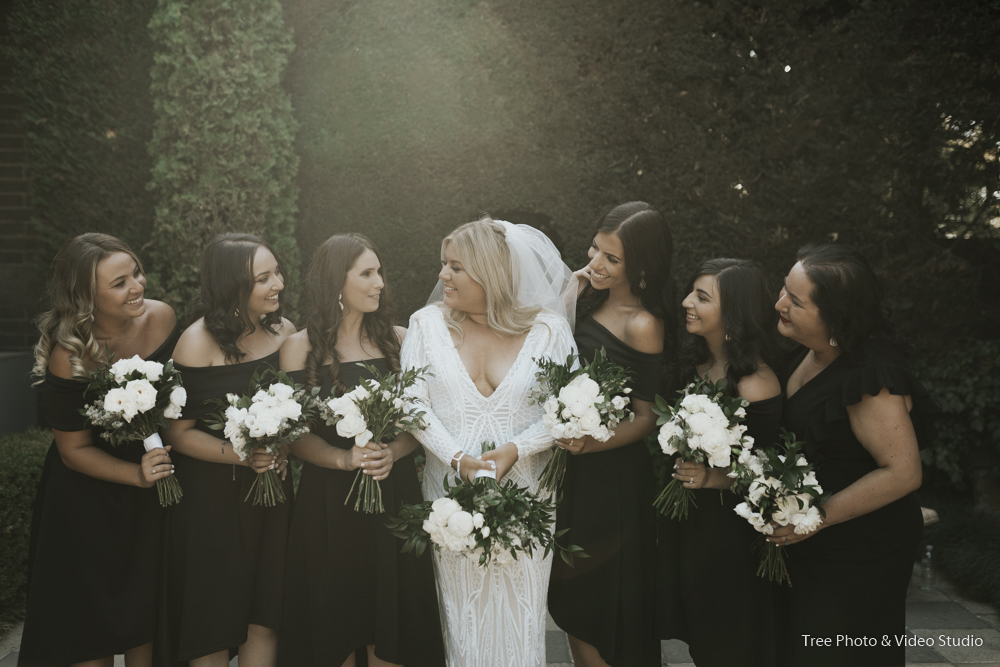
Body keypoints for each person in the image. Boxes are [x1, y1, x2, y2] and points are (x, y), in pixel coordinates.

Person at [399, 216, 577, 667]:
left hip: (528, 501)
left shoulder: (550, 331)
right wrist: (455, 457)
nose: (442, 276)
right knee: (463, 622)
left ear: (490, 272)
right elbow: (412, 407)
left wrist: (520, 448)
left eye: (455, 267)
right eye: (444, 264)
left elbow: (571, 412)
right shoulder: (425, 325)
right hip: (449, 506)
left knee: (522, 618)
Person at [277, 234, 445, 667]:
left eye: (380, 272)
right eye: (367, 274)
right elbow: (294, 435)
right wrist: (342, 458)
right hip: (328, 504)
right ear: (337, 283)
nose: (379, 283)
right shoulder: (298, 347)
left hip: (394, 495)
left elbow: (422, 421)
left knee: (391, 622)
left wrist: (396, 451)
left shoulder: (401, 339)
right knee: (336, 622)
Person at [771, 244, 934, 667]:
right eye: (784, 290)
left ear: (835, 317)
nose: (779, 304)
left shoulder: (870, 377)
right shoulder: (805, 351)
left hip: (860, 549)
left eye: (795, 301)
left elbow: (903, 472)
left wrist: (815, 518)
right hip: (816, 541)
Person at [20, 233, 178, 667]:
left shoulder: (163, 319)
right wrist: (137, 475)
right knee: (89, 624)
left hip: (153, 492)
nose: (138, 287)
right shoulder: (68, 354)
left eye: (137, 273)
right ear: (86, 296)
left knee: (146, 609)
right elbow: (72, 450)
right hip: (88, 497)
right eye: (120, 283)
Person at [548, 202, 675, 667]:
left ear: (641, 267)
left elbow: (646, 418)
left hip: (613, 482)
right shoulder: (586, 297)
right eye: (595, 250)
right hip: (573, 476)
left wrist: (591, 441)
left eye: (612, 259)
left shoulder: (642, 324)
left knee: (599, 605)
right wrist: (576, 282)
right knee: (571, 600)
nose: (597, 264)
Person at [159, 233, 295, 667]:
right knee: (213, 617)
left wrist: (283, 446)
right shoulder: (197, 342)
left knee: (266, 614)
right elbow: (178, 434)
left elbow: (297, 411)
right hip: (211, 505)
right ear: (232, 286)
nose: (278, 284)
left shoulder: (286, 333)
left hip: (271, 498)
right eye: (263, 278)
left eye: (277, 272)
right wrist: (242, 454)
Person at [655, 258, 784, 667]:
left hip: (732, 538)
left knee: (729, 642)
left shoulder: (756, 382)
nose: (686, 301)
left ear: (733, 312)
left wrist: (714, 477)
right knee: (702, 638)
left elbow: (772, 468)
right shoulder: (692, 368)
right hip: (692, 530)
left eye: (701, 297)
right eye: (692, 292)